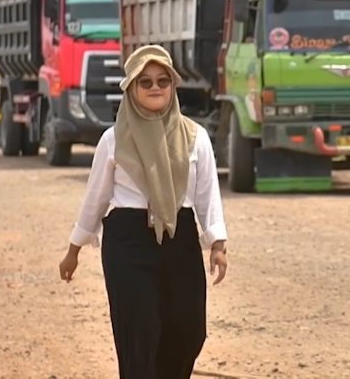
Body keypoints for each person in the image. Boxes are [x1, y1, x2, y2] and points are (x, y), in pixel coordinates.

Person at [59, 45, 229, 378]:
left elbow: (208, 195)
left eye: (163, 81)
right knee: (139, 332)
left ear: (173, 86)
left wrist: (218, 245)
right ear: (131, 88)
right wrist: (73, 251)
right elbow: (96, 197)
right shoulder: (113, 140)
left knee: (189, 330)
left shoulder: (197, 138)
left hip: (179, 238)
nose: (155, 88)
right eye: (145, 81)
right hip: (128, 241)